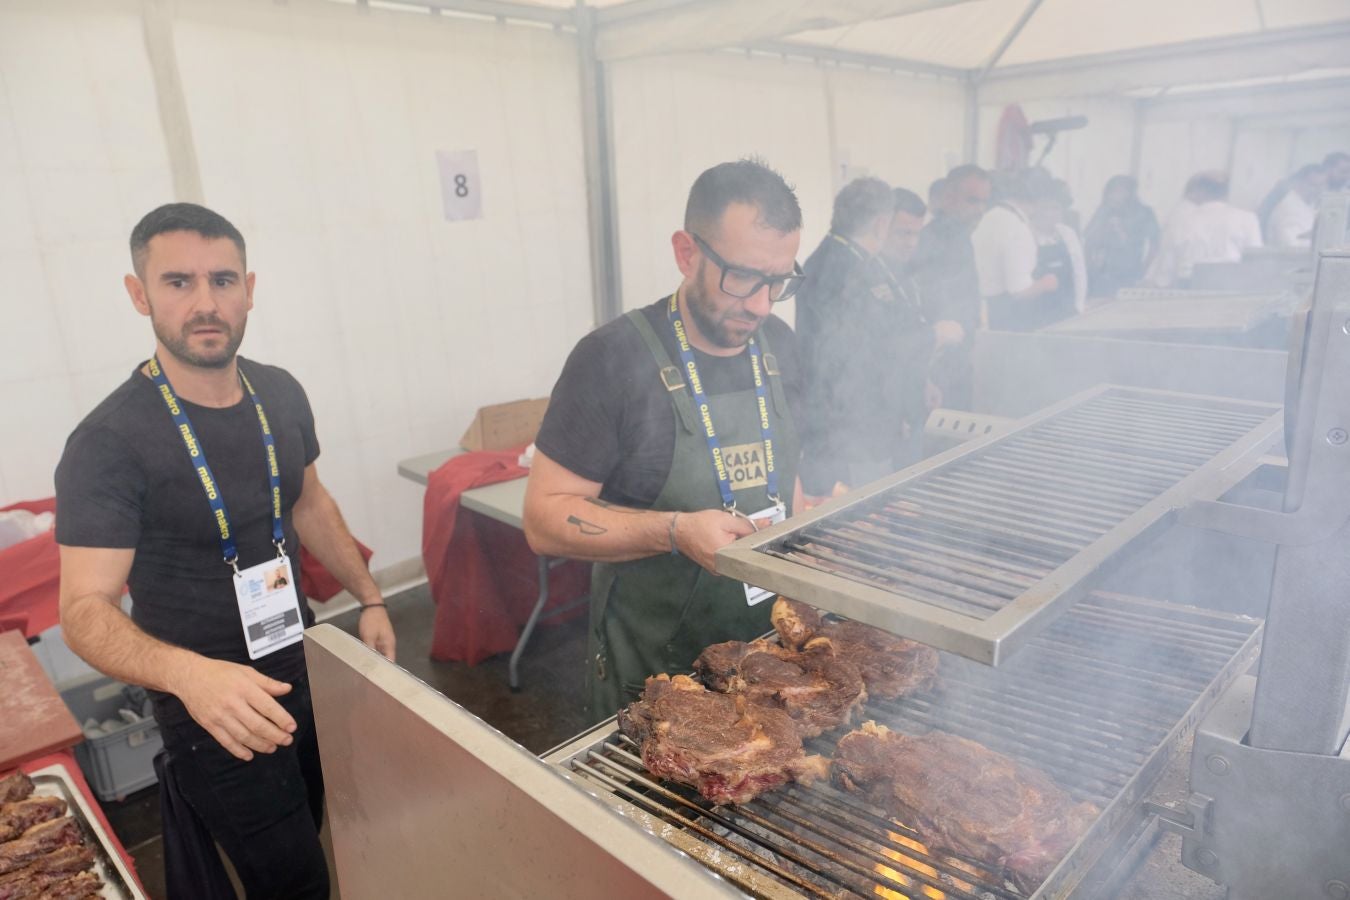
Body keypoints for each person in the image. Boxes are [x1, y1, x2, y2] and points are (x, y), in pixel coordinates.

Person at [55, 203, 395, 900]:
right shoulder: (110, 442)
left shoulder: (279, 392)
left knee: (315, 823)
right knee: (294, 881)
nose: (206, 303)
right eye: (178, 282)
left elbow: (310, 503)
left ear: (250, 288)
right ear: (139, 293)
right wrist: (190, 676)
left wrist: (370, 598)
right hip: (211, 709)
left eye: (223, 280)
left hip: (300, 666)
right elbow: (84, 609)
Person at [522, 159, 804, 721]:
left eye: (779, 280)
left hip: (766, 661)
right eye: (744, 277)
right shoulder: (609, 360)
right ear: (686, 252)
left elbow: (784, 477)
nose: (761, 303)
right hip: (655, 681)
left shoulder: (780, 345)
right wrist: (676, 531)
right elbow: (543, 519)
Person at [795, 177, 907, 497]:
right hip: (851, 429)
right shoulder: (849, 269)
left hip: (830, 422)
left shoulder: (826, 258)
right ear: (882, 222)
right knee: (862, 515)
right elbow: (864, 355)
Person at [880, 188, 965, 467]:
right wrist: (937, 334)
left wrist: (924, 380)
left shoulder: (906, 272)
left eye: (916, 234)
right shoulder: (870, 275)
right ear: (880, 227)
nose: (910, 243)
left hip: (912, 401)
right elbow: (886, 348)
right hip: (885, 415)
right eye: (902, 233)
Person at [909, 164, 991, 409]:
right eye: (972, 201)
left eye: (984, 202)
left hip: (958, 360)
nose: (980, 210)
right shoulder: (934, 240)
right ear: (947, 198)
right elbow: (928, 306)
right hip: (938, 366)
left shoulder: (960, 237)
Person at [972, 167, 1062, 332]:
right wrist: (1046, 283)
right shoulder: (1016, 227)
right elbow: (1019, 291)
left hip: (984, 311)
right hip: (1010, 320)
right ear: (1039, 200)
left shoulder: (990, 217)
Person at [1083, 175, 1160, 298]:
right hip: (1102, 274)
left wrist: (1144, 269)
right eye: (1112, 191)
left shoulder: (1144, 213)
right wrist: (1090, 266)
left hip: (1131, 272)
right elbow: (1088, 239)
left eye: (1120, 190)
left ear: (1130, 193)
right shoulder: (1103, 211)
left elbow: (1155, 244)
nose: (1115, 195)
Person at [1029, 177, 1088, 322]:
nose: (1050, 213)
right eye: (1045, 207)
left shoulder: (1068, 234)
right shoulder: (1026, 234)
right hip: (1035, 312)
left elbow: (1079, 272)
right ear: (1035, 208)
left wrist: (1079, 306)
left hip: (1066, 310)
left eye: (1055, 208)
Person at [1266, 163, 1328, 249]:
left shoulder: (1310, 205)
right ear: (1298, 183)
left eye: (1322, 185)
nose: (1319, 190)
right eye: (1313, 185)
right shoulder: (1287, 209)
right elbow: (1290, 246)